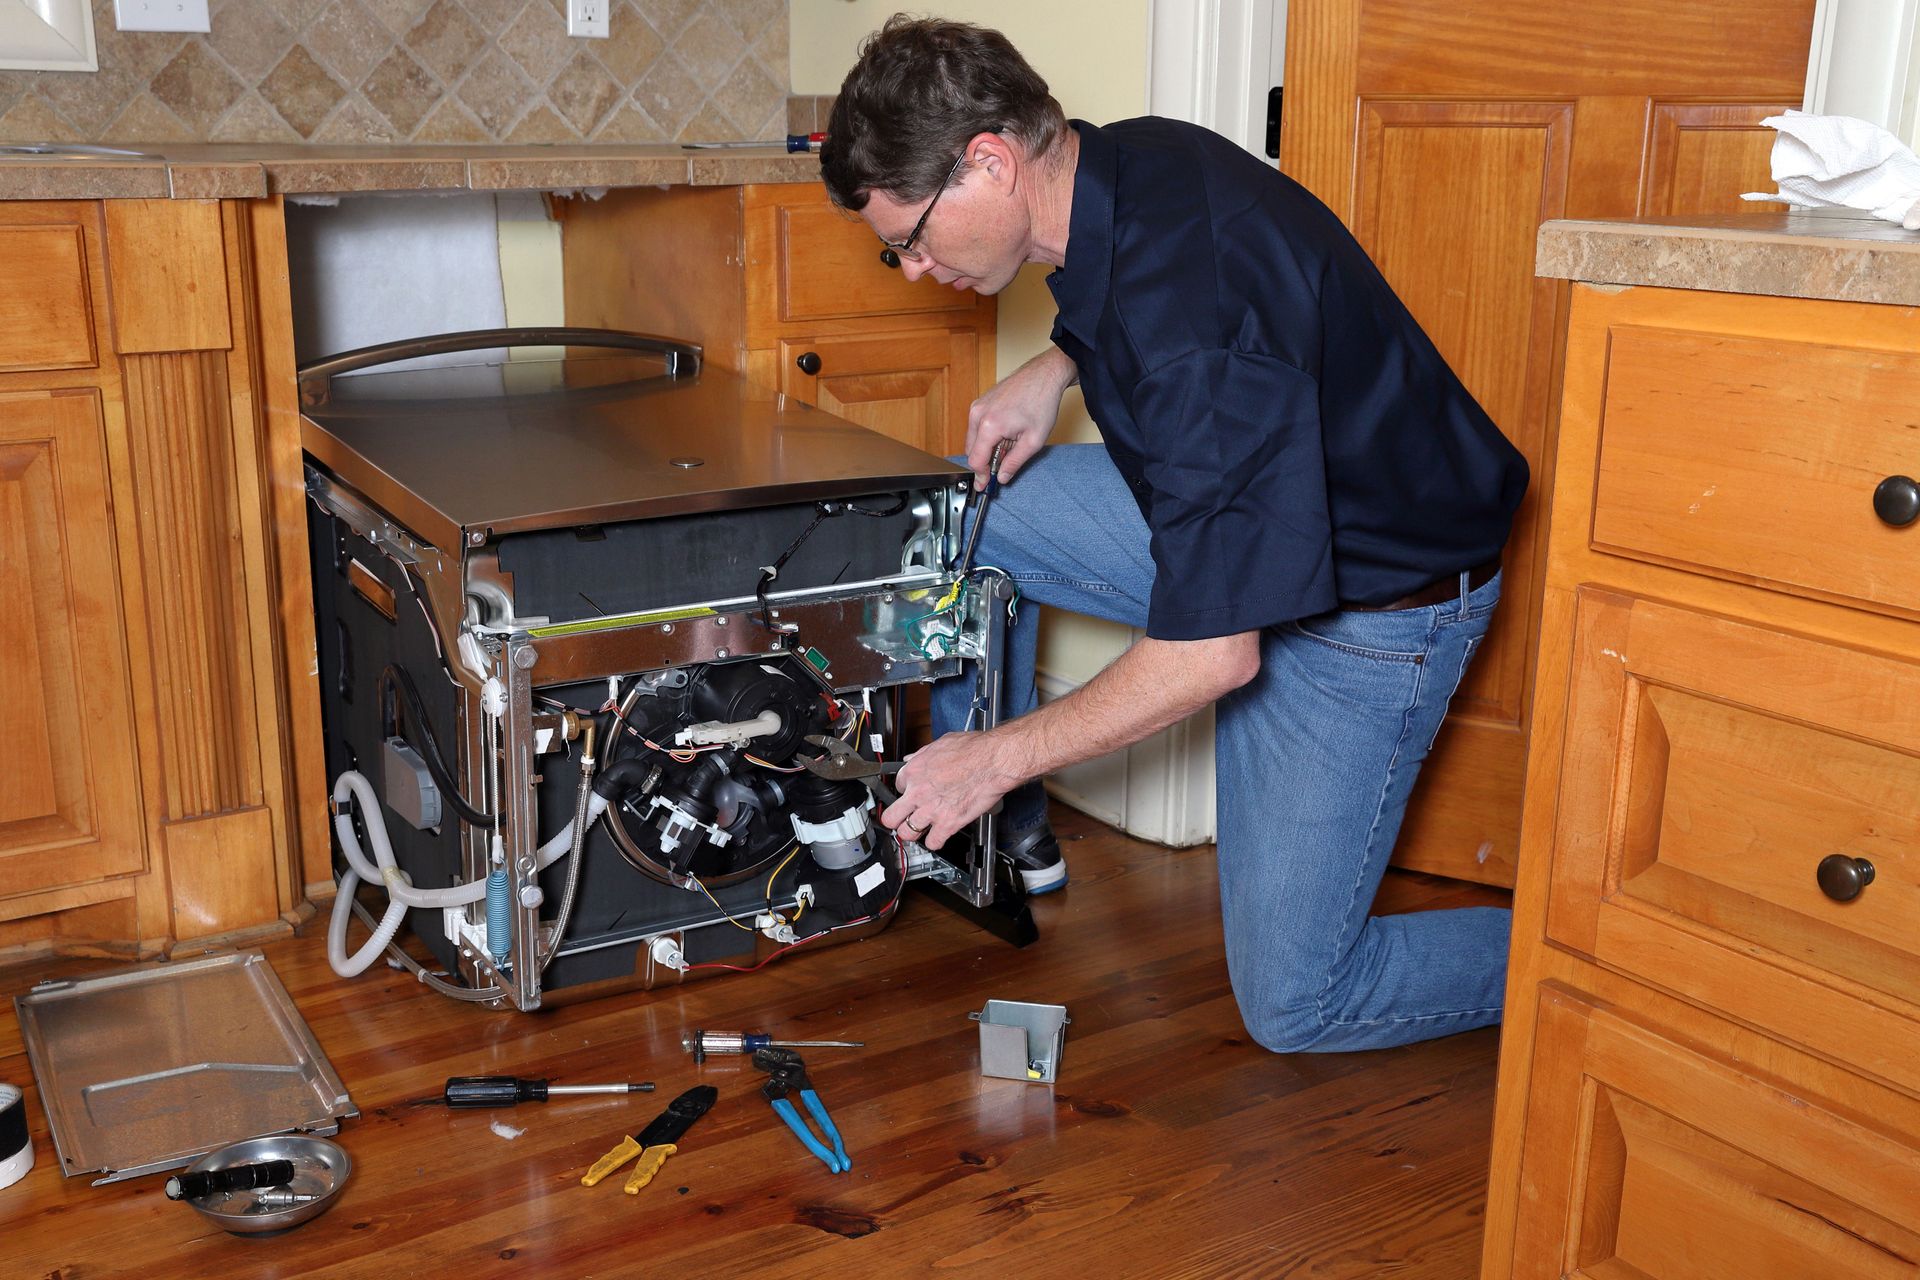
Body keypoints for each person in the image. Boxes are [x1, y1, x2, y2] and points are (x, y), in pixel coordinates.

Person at [820, 16, 1527, 1053]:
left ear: (990, 161)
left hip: (1372, 606)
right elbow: (1140, 291)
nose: (916, 268)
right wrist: (1053, 366)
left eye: (913, 238)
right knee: (977, 512)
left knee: (1298, 1004)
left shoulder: (1196, 331)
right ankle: (995, 839)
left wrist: (999, 755)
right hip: (1243, 510)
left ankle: (1588, 953)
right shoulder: (1127, 160)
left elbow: (1212, 651)